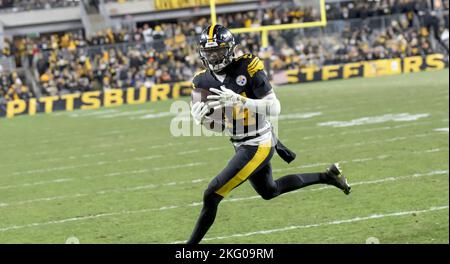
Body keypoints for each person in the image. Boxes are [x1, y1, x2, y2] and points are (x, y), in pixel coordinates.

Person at [188, 25, 351, 244]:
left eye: (219, 51)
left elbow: (274, 108)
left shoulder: (248, 66)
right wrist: (204, 121)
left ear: (231, 49)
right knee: (269, 191)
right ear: (202, 54)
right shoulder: (201, 81)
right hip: (239, 142)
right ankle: (328, 177)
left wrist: (241, 101)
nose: (214, 57)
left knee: (211, 195)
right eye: (210, 53)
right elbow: (220, 127)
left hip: (259, 142)